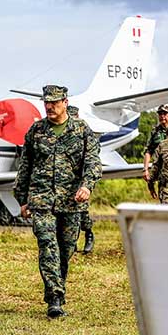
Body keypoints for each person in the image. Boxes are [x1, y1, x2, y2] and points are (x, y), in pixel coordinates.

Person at [14, 85, 101, 319]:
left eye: (54, 102)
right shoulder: (37, 131)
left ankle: (58, 285)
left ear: (65, 102)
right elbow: (25, 167)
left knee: (66, 249)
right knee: (47, 246)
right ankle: (54, 298)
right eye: (46, 103)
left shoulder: (82, 130)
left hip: (71, 202)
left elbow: (93, 163)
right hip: (41, 200)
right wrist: (22, 199)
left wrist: (86, 185)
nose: (50, 106)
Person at [67, 105, 95, 254]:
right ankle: (72, 243)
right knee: (71, 214)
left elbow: (92, 157)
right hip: (66, 182)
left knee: (82, 214)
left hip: (81, 181)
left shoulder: (85, 134)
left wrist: (87, 183)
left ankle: (89, 234)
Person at [143, 104, 168, 182]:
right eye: (160, 114)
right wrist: (145, 169)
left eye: (164, 114)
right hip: (163, 175)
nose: (162, 116)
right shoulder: (155, 132)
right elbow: (148, 151)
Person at [148, 131, 168, 203]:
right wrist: (151, 185)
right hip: (167, 190)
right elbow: (156, 166)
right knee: (167, 214)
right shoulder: (163, 145)